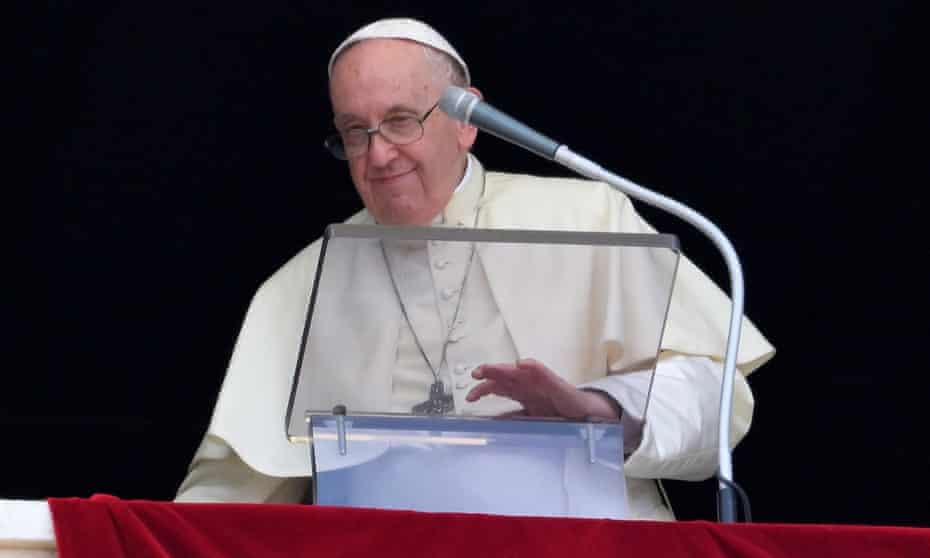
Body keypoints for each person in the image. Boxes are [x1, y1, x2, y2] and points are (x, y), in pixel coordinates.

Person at [176, 18, 774, 520]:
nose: (379, 155)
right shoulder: (301, 284)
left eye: (402, 120)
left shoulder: (587, 216)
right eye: (355, 132)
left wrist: (602, 411)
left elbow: (718, 397)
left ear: (467, 120)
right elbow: (230, 497)